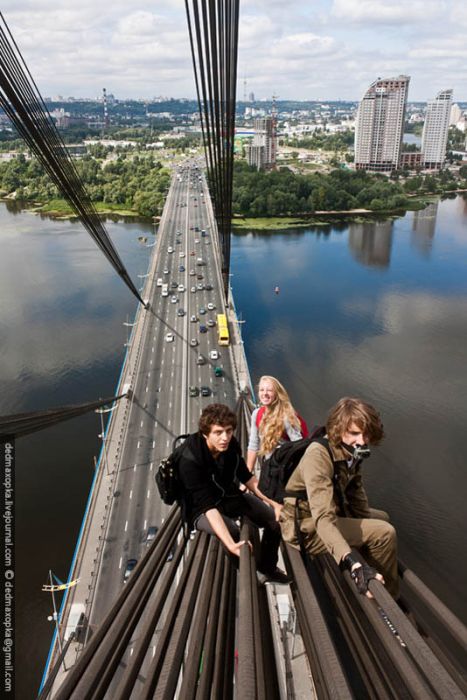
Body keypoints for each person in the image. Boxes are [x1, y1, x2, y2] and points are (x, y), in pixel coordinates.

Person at [280, 397, 399, 598]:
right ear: (338, 428)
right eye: (354, 433)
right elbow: (323, 519)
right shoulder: (318, 455)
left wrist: (365, 522)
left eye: (366, 434)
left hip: (328, 512)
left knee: (382, 518)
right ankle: (387, 602)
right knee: (385, 533)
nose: (362, 441)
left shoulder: (350, 449)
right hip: (305, 526)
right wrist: (353, 563)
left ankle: (376, 569)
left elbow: (355, 493)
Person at [177, 403, 290, 584]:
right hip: (199, 508)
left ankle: (268, 568)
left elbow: (247, 477)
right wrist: (231, 545)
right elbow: (207, 507)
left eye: (229, 431)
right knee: (232, 532)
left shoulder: (231, 445)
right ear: (205, 433)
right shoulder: (189, 460)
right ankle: (248, 573)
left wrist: (274, 503)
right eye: (218, 432)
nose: (225, 438)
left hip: (227, 495)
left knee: (274, 522)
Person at [247, 375, 306, 477]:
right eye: (262, 390)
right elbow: (253, 445)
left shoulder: (286, 416)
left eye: (269, 390)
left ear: (276, 394)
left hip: (286, 469)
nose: (265, 394)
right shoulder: (256, 414)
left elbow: (298, 445)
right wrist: (247, 476)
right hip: (270, 468)